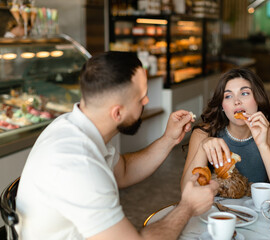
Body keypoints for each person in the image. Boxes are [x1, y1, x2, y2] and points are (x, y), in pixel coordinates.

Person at [16, 51, 219, 240]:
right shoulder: (78, 165)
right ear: (117, 113)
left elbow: (124, 171)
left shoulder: (76, 125)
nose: (147, 100)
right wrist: (188, 206)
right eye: (141, 98)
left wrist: (169, 139)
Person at [181, 68, 270, 195]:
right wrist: (203, 148)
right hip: (215, 212)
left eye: (245, 93)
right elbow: (186, 192)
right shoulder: (203, 133)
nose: (237, 101)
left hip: (259, 212)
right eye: (228, 96)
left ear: (258, 98)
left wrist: (263, 145)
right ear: (222, 106)